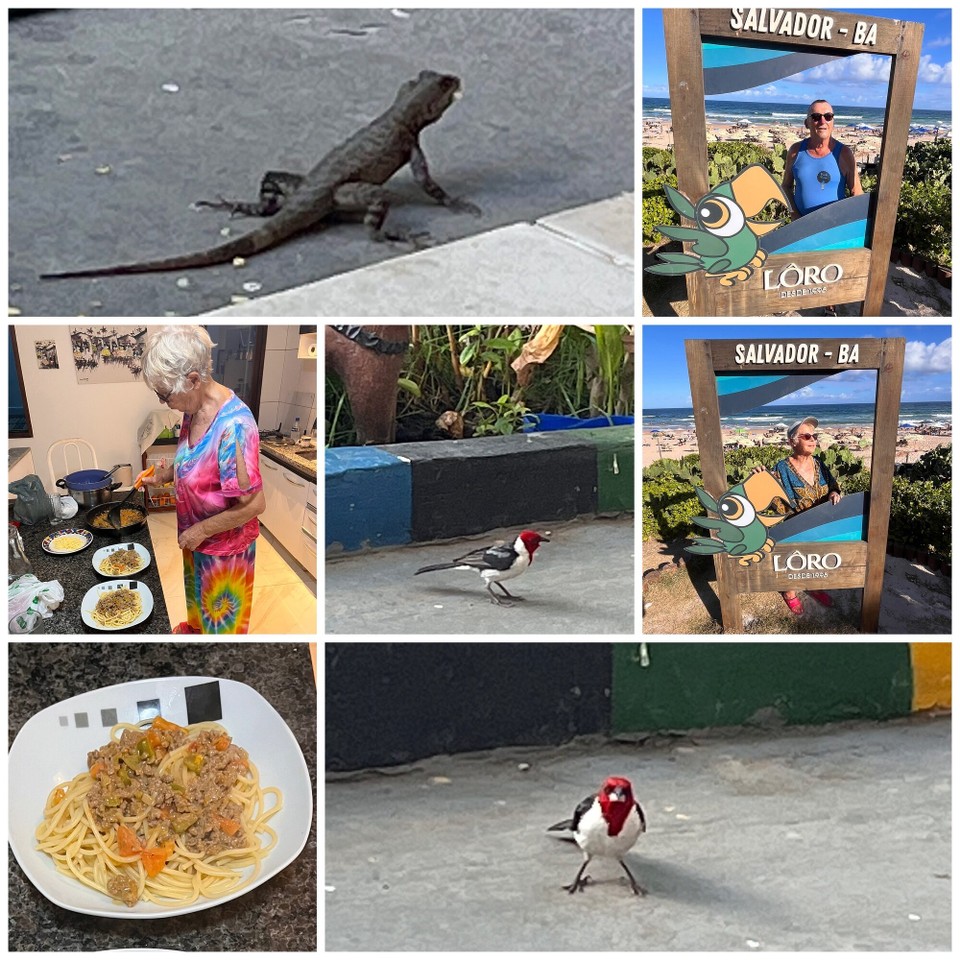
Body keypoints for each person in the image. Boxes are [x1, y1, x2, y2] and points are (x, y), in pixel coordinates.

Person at [140, 325, 265, 634]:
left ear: (193, 380)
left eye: (165, 394)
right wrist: (164, 475)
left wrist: (200, 530)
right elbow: (197, 461)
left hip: (224, 552)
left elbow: (254, 505)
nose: (163, 402)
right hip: (197, 542)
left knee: (220, 632)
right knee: (198, 611)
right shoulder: (193, 409)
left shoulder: (234, 427)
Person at [752, 416, 843, 617]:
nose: (813, 440)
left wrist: (834, 493)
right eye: (807, 436)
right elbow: (773, 498)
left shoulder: (819, 464)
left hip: (821, 524)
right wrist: (760, 479)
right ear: (792, 442)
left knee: (817, 559)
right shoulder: (782, 467)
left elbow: (833, 485)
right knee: (794, 560)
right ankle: (789, 591)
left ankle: (813, 587)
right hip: (796, 526)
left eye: (814, 436)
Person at [782, 99, 863, 317]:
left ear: (833, 121)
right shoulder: (795, 151)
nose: (822, 121)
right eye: (816, 117)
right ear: (807, 123)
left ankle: (830, 307)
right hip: (801, 224)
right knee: (801, 269)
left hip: (833, 228)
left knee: (829, 271)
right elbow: (786, 186)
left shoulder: (844, 154)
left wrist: (853, 228)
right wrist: (794, 215)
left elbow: (857, 192)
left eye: (828, 116)